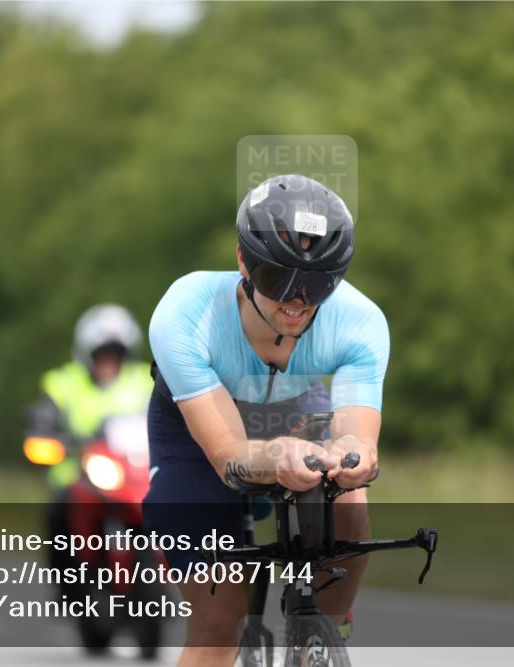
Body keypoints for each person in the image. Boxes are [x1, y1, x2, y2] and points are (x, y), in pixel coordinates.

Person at [144, 174, 387, 666]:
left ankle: (324, 636)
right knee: (217, 629)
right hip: (199, 439)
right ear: (243, 261)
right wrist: (275, 455)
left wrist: (352, 460)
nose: (298, 301)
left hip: (299, 421)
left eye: (319, 285)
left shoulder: (359, 322)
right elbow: (229, 456)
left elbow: (356, 436)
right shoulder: (186, 313)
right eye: (280, 280)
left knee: (351, 504)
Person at [25, 304, 154, 487]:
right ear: (87, 354)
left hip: (137, 477)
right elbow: (38, 439)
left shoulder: (146, 379)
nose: (109, 361)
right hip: (78, 480)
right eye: (102, 354)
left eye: (116, 354)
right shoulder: (63, 383)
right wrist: (66, 446)